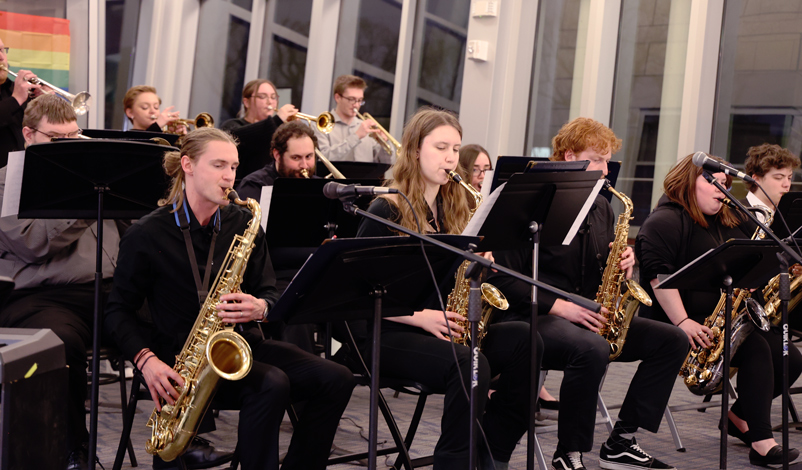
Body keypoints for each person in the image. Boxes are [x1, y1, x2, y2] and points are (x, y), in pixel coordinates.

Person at [104, 127, 354, 470]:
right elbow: (117, 311)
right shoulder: (147, 233)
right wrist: (146, 361)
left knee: (336, 377)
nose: (229, 176)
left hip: (238, 346)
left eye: (234, 167)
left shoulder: (244, 222)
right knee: (272, 383)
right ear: (188, 166)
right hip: (179, 362)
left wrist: (261, 307)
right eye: (219, 165)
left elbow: (269, 290)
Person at [488, 117, 687, 470]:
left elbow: (599, 274)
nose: (605, 169)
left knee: (672, 340)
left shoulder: (602, 208)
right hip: (533, 314)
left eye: (607, 160)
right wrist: (561, 307)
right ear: (568, 157)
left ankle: (622, 439)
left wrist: (623, 259)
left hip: (587, 312)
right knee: (591, 348)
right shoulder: (530, 205)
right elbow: (504, 279)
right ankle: (570, 451)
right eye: (597, 159)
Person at [356, 108, 538, 470]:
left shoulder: (452, 207)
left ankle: (493, 453)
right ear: (414, 150)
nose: (451, 157)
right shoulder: (385, 209)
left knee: (527, 341)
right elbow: (360, 290)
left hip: (440, 323)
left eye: (455, 148)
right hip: (387, 329)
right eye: (441, 147)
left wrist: (477, 267)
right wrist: (422, 317)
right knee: (470, 363)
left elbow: (449, 280)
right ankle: (454, 462)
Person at [636, 152, 802, 467]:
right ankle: (762, 444)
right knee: (755, 349)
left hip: (720, 316)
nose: (721, 189)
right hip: (676, 319)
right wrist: (683, 321)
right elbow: (660, 280)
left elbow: (747, 259)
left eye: (725, 183)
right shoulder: (666, 220)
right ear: (687, 181)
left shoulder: (726, 218)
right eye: (713, 182)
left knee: (789, 357)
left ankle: (739, 418)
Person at [0, 94, 117, 470]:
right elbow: (32, 244)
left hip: (110, 292)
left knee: (180, 318)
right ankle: (72, 450)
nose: (68, 148)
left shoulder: (97, 177)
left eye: (73, 137)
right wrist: (87, 199)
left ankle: (181, 440)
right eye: (56, 139)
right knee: (58, 343)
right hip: (43, 298)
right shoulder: (6, 183)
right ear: (28, 135)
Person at [316, 74, 394, 164]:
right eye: (351, 99)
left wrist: (384, 144)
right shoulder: (321, 125)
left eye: (360, 100)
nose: (356, 105)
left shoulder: (367, 128)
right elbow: (323, 159)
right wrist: (356, 136)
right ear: (337, 97)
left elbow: (386, 163)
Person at [236, 120, 317, 201]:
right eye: (296, 158)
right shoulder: (254, 186)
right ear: (277, 155)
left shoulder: (323, 188)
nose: (304, 165)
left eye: (308, 156)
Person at [0, 36, 45, 167]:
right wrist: (16, 100)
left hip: (20, 171)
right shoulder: (18, 95)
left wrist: (41, 102)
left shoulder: (15, 89)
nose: (1, 57)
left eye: (2, 50)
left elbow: (36, 130)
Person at [742, 143, 801, 222]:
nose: (787, 184)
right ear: (756, 179)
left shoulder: (793, 214)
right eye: (778, 178)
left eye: (789, 178)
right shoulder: (734, 215)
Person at [219, 79, 297, 131]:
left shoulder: (279, 129)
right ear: (246, 102)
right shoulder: (232, 126)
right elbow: (250, 136)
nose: (270, 101)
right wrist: (277, 120)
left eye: (273, 97)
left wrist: (296, 128)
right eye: (262, 97)